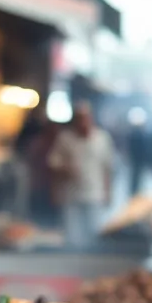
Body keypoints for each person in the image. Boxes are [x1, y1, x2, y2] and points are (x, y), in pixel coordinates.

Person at [48, 102, 115, 247]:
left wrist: (108, 193)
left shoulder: (102, 138)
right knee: (73, 236)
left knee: (94, 233)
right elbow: (53, 164)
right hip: (71, 194)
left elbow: (107, 167)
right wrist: (67, 170)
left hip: (94, 193)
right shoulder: (65, 139)